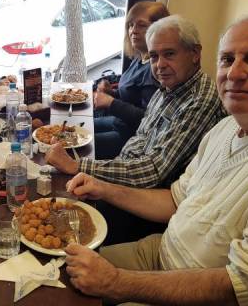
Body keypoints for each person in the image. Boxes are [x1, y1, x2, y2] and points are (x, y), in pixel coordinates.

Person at [63, 15, 248, 306]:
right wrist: (101, 187)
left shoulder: (201, 102)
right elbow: (174, 201)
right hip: (160, 250)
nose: (234, 74)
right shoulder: (225, 128)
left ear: (195, 54)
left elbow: (241, 286)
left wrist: (116, 283)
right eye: (227, 59)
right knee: (56, 267)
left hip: (193, 290)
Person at [46, 15, 225, 243]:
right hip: (130, 183)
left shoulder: (200, 100)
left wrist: (78, 165)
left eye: (169, 54)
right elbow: (141, 138)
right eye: (154, 56)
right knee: (58, 200)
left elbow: (153, 172)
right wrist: (106, 170)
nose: (159, 65)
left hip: (151, 208)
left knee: (65, 229)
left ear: (195, 53)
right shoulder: (168, 88)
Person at [94, 1, 169, 159]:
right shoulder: (140, 58)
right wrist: (111, 93)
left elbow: (147, 119)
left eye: (141, 25)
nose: (133, 31)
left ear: (159, 29)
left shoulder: (156, 71)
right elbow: (131, 97)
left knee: (78, 145)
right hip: (119, 123)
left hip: (130, 138)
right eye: (130, 25)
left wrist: (110, 102)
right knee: (76, 128)